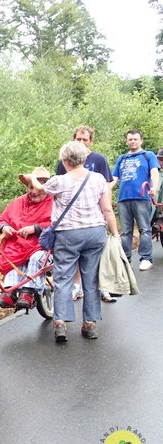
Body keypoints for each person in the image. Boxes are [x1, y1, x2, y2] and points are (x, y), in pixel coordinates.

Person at [28, 142, 119, 342]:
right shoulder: (98, 179)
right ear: (84, 159)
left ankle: (60, 323)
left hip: (68, 235)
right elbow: (107, 210)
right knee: (91, 278)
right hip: (95, 233)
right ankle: (91, 324)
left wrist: (33, 178)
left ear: (65, 161)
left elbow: (40, 189)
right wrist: (116, 234)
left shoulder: (59, 181)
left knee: (63, 278)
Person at [56, 125, 117, 302]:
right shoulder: (64, 161)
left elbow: (106, 187)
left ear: (91, 141)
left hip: (95, 215)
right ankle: (76, 286)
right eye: (78, 139)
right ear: (73, 140)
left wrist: (109, 215)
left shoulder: (99, 159)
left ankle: (101, 286)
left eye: (85, 139)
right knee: (74, 256)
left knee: (95, 256)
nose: (82, 142)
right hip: (72, 217)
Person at [0, 167, 53, 309]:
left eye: (37, 188)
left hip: (42, 245)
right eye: (30, 187)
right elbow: (2, 220)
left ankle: (28, 293)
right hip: (18, 244)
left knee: (35, 258)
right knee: (12, 255)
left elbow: (58, 224)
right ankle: (9, 292)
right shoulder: (18, 202)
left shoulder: (54, 202)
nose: (33, 191)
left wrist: (35, 228)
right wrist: (4, 228)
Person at [112, 129, 160, 271]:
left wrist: (154, 187)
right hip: (123, 199)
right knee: (126, 232)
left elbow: (154, 172)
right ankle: (126, 260)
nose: (133, 141)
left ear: (141, 141)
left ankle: (146, 258)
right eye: (130, 139)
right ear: (127, 141)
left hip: (141, 197)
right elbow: (114, 178)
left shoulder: (148, 155)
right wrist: (105, 190)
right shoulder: (122, 158)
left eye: (135, 139)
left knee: (144, 229)